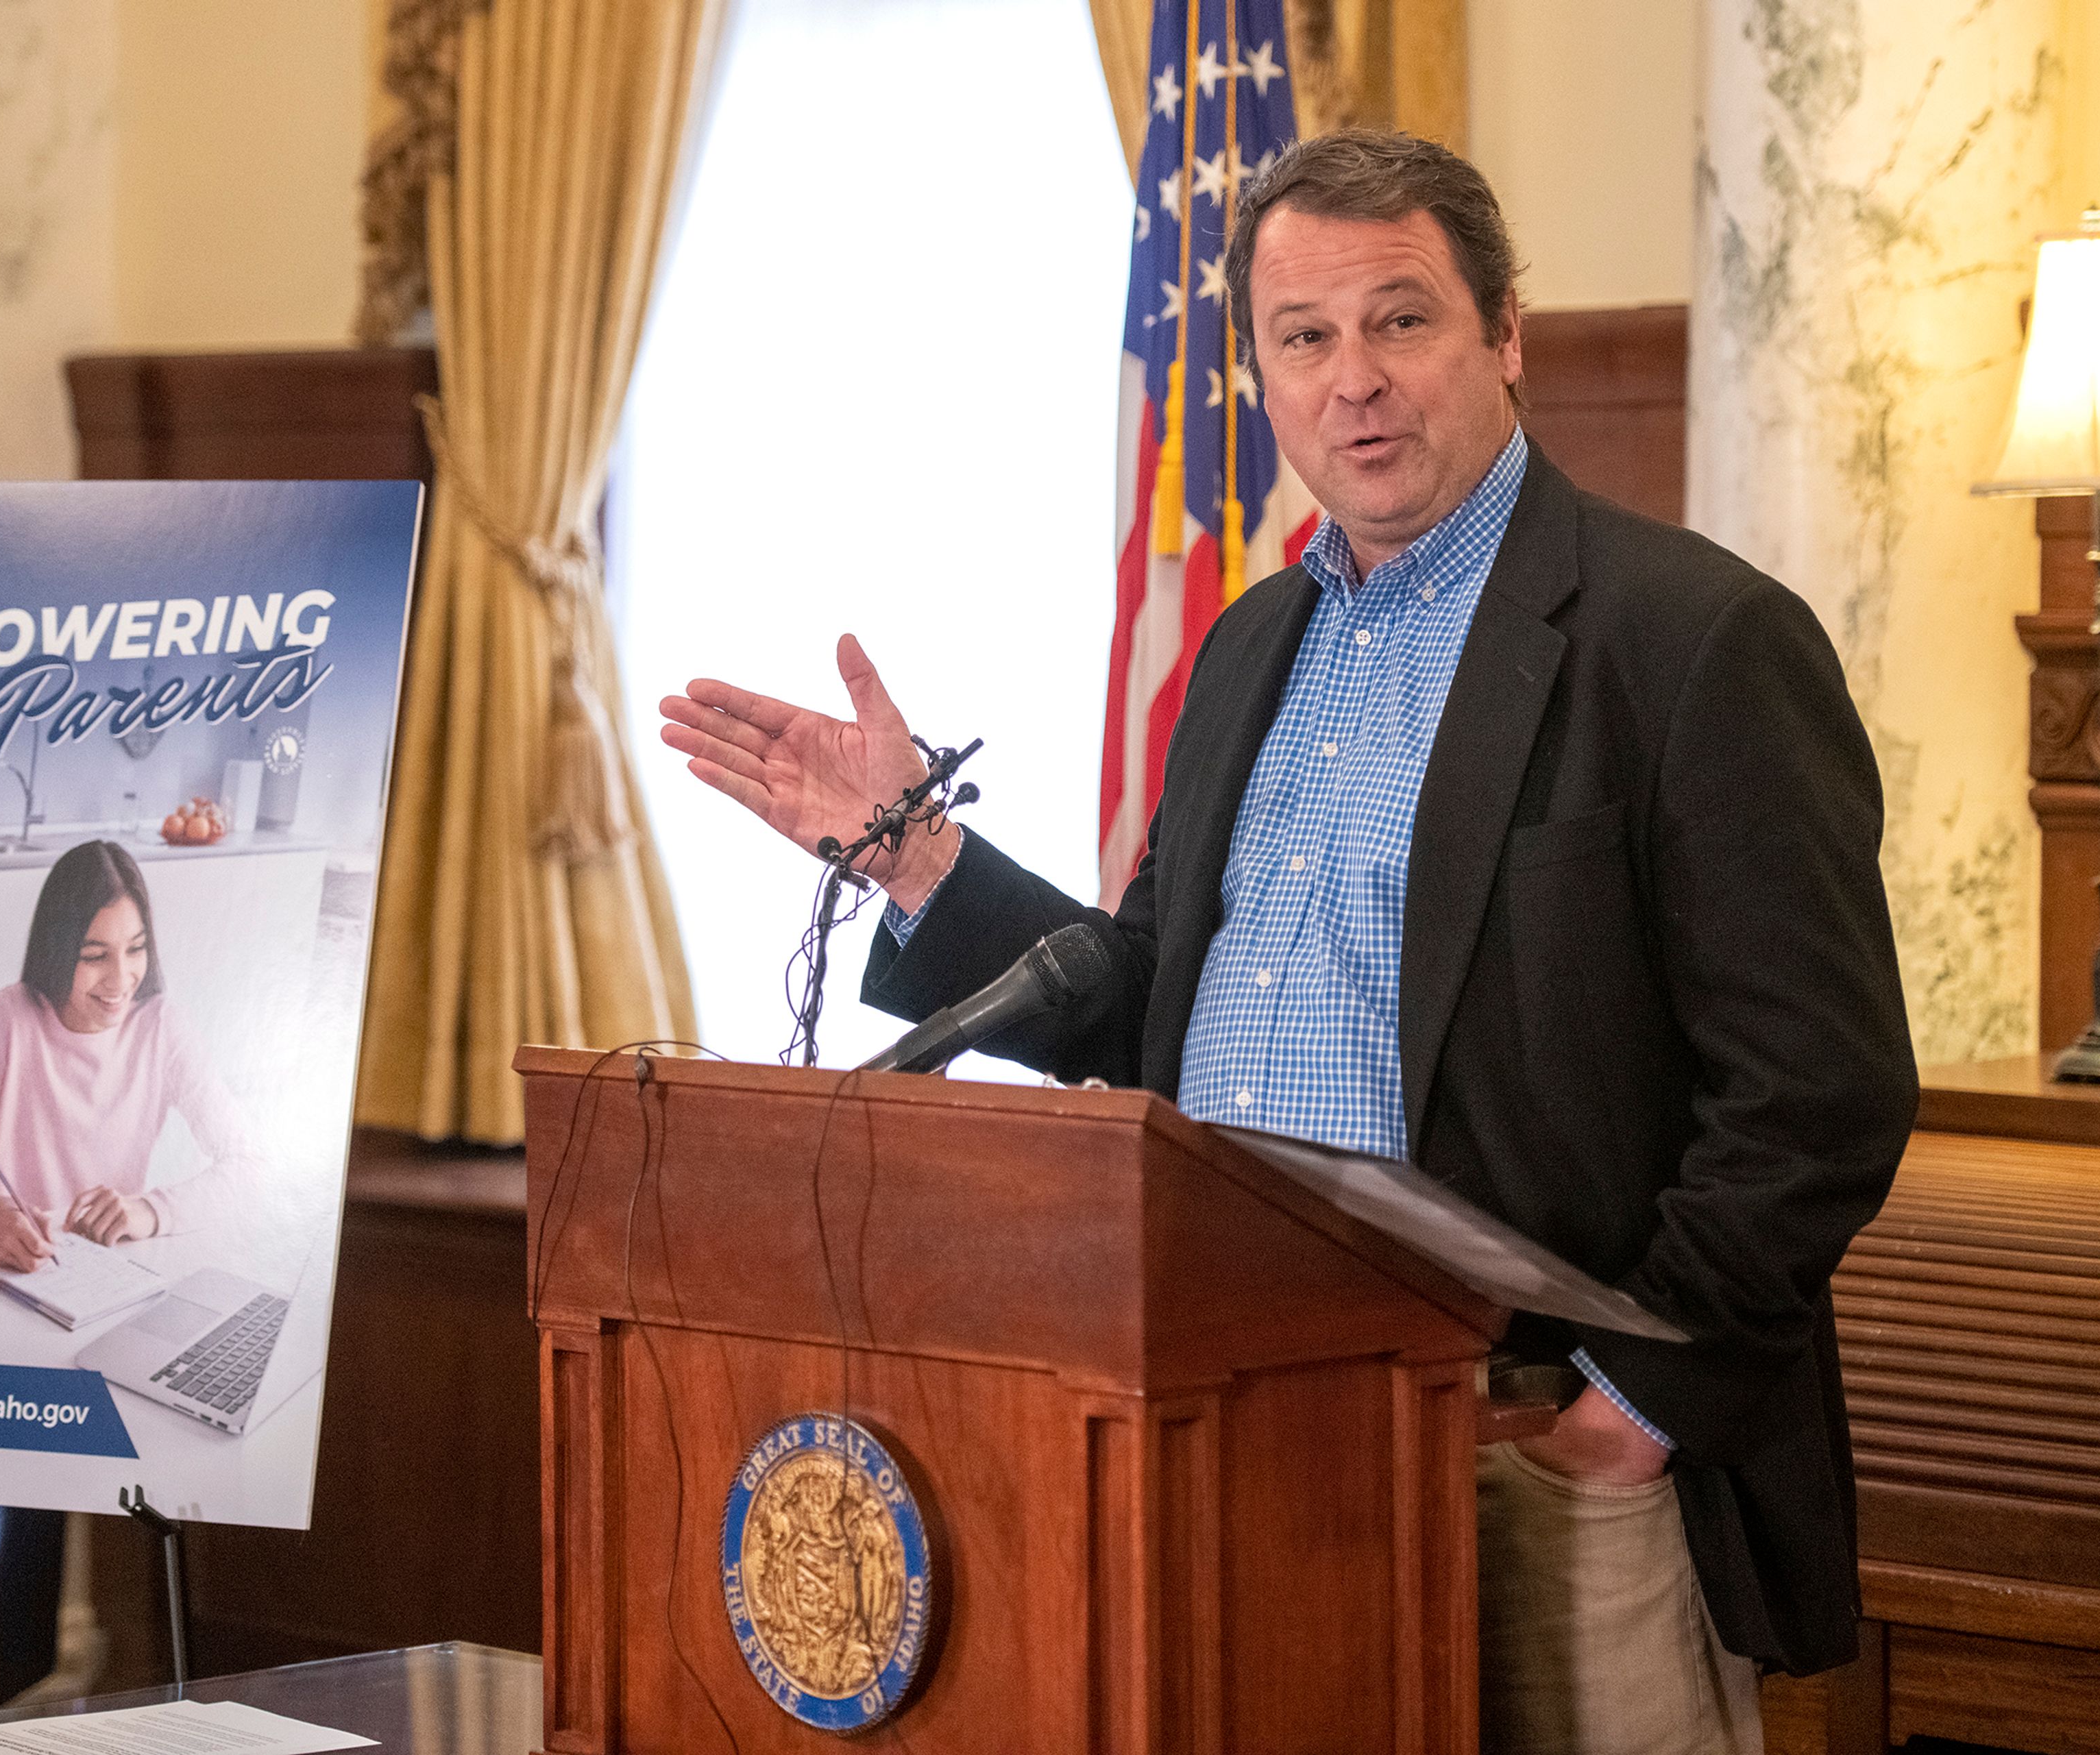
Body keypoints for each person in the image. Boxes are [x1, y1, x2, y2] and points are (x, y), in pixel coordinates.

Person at [659, 130, 1918, 1754]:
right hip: (1239, 1437)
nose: (1354, 382)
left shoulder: (1690, 640)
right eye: (1301, 338)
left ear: (1504, 333)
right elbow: (1152, 1013)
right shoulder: (1253, 645)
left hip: (1537, 1452)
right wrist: (917, 851)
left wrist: (1626, 1411)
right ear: (1257, 369)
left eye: (1400, 321)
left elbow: (1817, 1092)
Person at [0, 840, 266, 1267]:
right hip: (4, 1267)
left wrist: (149, 1211)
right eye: (95, 956)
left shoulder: (162, 1026)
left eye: (135, 949)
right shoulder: (14, 1014)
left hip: (103, 1269)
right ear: (59, 953)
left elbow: (250, 1165)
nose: (120, 980)